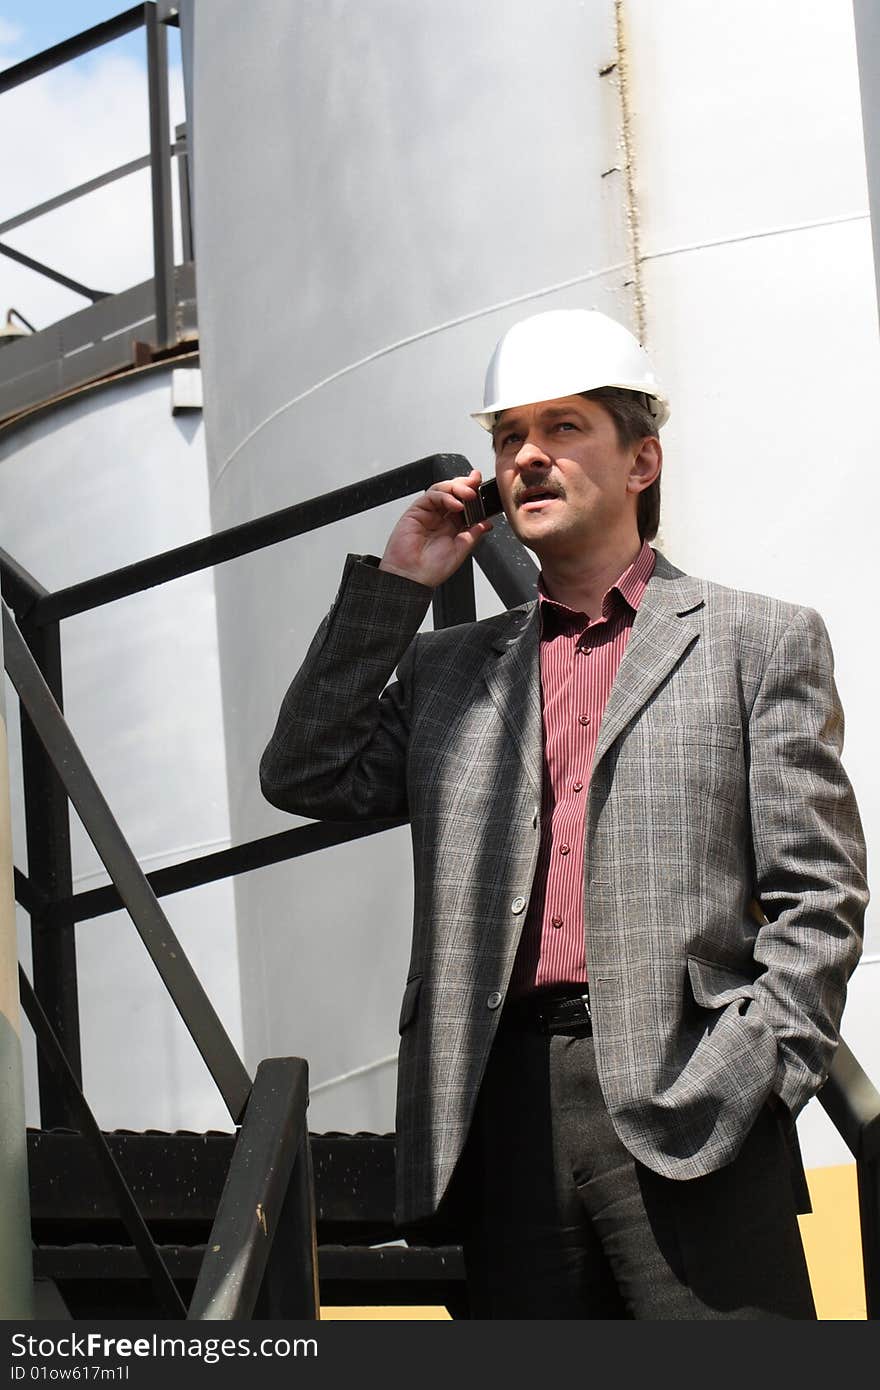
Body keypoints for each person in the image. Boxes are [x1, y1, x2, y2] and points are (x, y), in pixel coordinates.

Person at [259, 308, 868, 1319]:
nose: (527, 456)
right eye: (508, 439)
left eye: (562, 428)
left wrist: (754, 1070)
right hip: (496, 1114)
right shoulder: (449, 670)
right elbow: (306, 771)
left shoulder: (755, 642)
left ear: (641, 459)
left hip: (695, 1100)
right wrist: (400, 587)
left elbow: (819, 895)